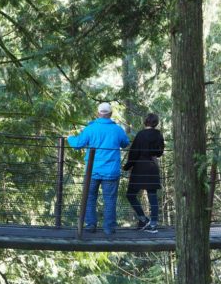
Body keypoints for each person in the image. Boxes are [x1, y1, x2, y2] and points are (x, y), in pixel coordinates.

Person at [67, 101, 130, 237]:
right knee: (110, 199)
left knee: (89, 197)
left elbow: (78, 144)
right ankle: (109, 229)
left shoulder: (91, 129)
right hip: (111, 171)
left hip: (92, 170)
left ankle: (90, 225)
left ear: (98, 113)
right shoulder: (117, 129)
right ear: (111, 114)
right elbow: (125, 143)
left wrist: (69, 138)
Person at [123, 112, 164, 234]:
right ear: (156, 123)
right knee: (152, 197)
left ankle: (143, 218)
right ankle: (153, 224)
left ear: (145, 121)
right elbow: (159, 152)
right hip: (152, 166)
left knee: (131, 194)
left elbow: (134, 152)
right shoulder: (159, 135)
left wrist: (127, 166)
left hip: (140, 167)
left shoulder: (140, 135)